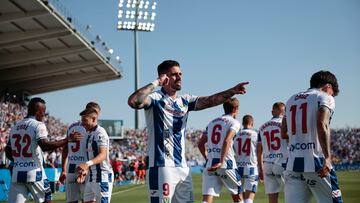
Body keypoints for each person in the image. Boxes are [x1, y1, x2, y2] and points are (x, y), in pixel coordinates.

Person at [128, 60, 249, 203]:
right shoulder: (155, 98)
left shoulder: (184, 100)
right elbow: (134, 101)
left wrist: (232, 91)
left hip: (183, 167)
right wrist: (156, 83)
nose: (179, 77)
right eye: (174, 74)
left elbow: (210, 100)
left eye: (180, 74)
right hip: (162, 166)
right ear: (164, 77)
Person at [281, 70, 343, 203]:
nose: (332, 96)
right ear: (328, 87)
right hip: (316, 162)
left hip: (292, 164)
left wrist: (299, 139)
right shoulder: (324, 97)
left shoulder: (291, 99)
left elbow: (283, 133)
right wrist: (327, 157)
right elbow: (322, 125)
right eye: (333, 93)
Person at [5, 97, 82, 203]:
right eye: (43, 112)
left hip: (17, 173)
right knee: (47, 199)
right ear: (37, 111)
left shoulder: (15, 127)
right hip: (35, 172)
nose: (44, 115)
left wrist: (19, 162)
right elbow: (44, 145)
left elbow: (7, 151)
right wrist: (67, 140)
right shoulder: (38, 125)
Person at [198, 98, 242, 203]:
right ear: (235, 109)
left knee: (207, 199)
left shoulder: (212, 122)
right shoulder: (234, 122)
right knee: (238, 197)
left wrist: (208, 159)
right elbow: (227, 141)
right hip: (227, 164)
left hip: (210, 164)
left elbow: (200, 144)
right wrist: (221, 161)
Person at [59, 102, 101, 203]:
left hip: (71, 168)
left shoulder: (72, 126)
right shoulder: (90, 128)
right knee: (89, 200)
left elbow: (65, 149)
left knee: (72, 201)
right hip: (85, 168)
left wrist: (63, 169)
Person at [76, 107, 113, 203]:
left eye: (85, 120)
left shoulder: (100, 133)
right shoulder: (89, 133)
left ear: (93, 119)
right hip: (92, 176)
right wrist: (85, 170)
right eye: (82, 120)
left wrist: (86, 164)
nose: (82, 123)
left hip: (102, 176)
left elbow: (103, 155)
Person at [257, 102, 288, 203]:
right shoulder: (284, 123)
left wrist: (260, 168)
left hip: (267, 164)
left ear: (272, 112)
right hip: (282, 162)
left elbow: (259, 150)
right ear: (284, 112)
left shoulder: (262, 127)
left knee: (272, 197)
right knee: (292, 194)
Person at [233, 115, 258, 203]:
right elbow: (259, 152)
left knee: (240, 200)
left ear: (243, 123)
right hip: (251, 167)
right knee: (248, 199)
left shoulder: (235, 135)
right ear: (252, 123)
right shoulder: (256, 134)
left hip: (238, 168)